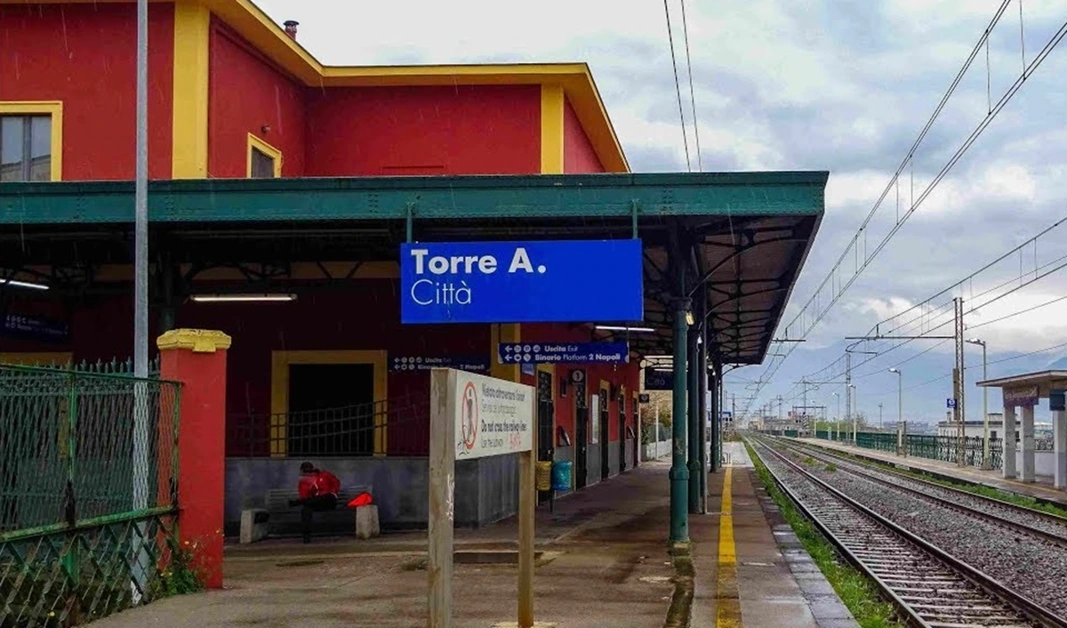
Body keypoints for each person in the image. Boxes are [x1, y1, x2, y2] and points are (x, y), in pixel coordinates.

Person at [290, 461, 341, 543]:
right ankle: (306, 536)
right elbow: (305, 497)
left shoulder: (324, 475)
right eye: (305, 471)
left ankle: (297, 502)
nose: (308, 473)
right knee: (306, 510)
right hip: (316, 503)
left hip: (329, 500)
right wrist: (310, 487)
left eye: (309, 470)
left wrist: (333, 492)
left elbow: (336, 482)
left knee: (326, 496)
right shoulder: (304, 482)